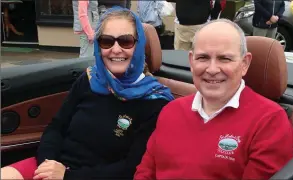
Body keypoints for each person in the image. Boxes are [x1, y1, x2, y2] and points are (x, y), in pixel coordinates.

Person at [1, 6, 174, 180]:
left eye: (125, 41)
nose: (115, 49)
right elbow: (56, 127)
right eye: (107, 41)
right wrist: (48, 164)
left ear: (139, 45)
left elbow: (131, 168)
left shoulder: (154, 102)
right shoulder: (90, 80)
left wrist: (67, 176)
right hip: (52, 168)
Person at [134, 19, 293, 179]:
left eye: (224, 58)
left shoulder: (270, 123)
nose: (212, 69)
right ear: (191, 61)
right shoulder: (171, 110)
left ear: (245, 64)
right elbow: (145, 172)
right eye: (203, 58)